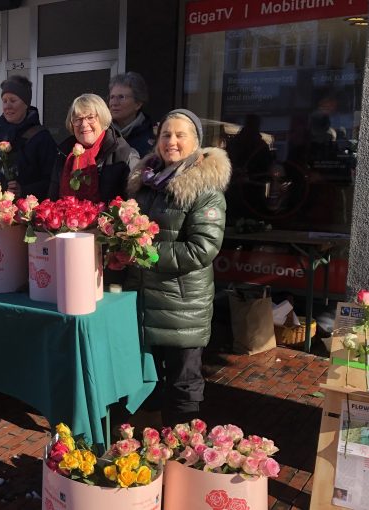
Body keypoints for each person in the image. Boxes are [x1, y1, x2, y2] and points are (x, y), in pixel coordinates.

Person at [124, 108, 231, 426]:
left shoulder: (205, 190)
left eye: (180, 135)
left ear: (196, 142)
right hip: (145, 302)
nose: (171, 141)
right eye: (166, 134)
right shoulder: (146, 182)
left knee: (184, 386)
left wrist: (147, 254)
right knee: (148, 381)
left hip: (182, 307)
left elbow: (202, 249)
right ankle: (149, 453)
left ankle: (184, 455)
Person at [0, 75, 57, 199]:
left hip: (28, 213)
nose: (7, 106)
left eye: (13, 100)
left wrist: (24, 191)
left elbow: (51, 180)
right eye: (4, 101)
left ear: (26, 103)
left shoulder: (42, 138)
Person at [49, 93, 139, 203]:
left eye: (90, 118)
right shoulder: (63, 153)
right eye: (78, 119)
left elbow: (134, 203)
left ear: (102, 119)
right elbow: (52, 199)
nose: (84, 124)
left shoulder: (125, 155)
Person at [108, 72, 155, 157]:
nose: (114, 103)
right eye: (112, 97)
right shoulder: (103, 133)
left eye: (121, 97)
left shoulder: (153, 137)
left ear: (138, 104)